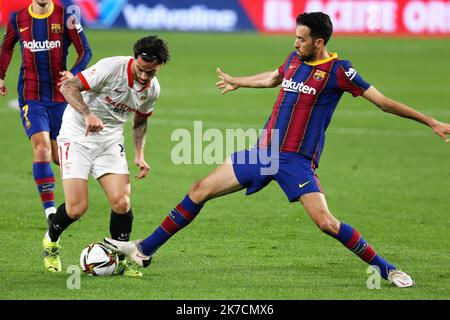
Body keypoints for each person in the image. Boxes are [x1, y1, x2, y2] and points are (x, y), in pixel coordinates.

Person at [104, 12, 450, 287]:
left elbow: (384, 103)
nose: (295, 42)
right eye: (294, 37)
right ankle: (144, 251)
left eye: (301, 39)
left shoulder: (340, 71)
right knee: (198, 190)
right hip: (263, 152)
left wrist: (431, 121)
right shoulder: (293, 60)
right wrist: (238, 81)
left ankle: (387, 269)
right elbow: (273, 77)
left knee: (326, 223)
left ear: (319, 41)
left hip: (296, 161)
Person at [41, 35, 170, 276]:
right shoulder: (111, 67)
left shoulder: (153, 90)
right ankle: (51, 242)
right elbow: (68, 87)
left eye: (150, 73)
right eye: (141, 70)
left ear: (158, 67)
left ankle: (119, 260)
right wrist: (88, 114)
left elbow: (140, 121)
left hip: (110, 141)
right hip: (76, 135)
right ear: (135, 58)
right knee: (76, 208)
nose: (144, 77)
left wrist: (139, 155)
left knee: (122, 202)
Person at [0, 0, 92, 223]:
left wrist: (74, 73)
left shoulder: (66, 16)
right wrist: (1, 75)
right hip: (32, 97)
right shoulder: (17, 18)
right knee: (41, 150)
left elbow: (85, 51)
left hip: (61, 98)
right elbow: (6, 48)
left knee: (61, 158)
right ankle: (51, 212)